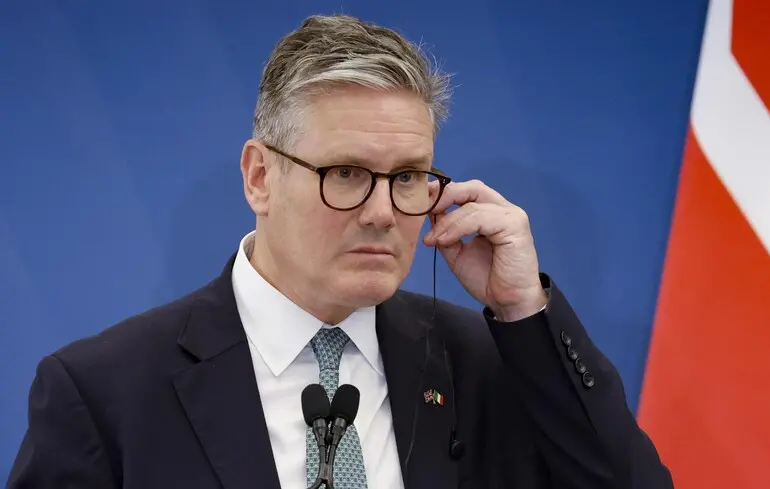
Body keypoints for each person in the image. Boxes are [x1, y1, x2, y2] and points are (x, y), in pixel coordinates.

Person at [6, 14, 673, 489]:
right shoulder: (104, 393)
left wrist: (525, 311)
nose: (383, 211)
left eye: (408, 177)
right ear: (260, 177)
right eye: (347, 173)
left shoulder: (489, 364)